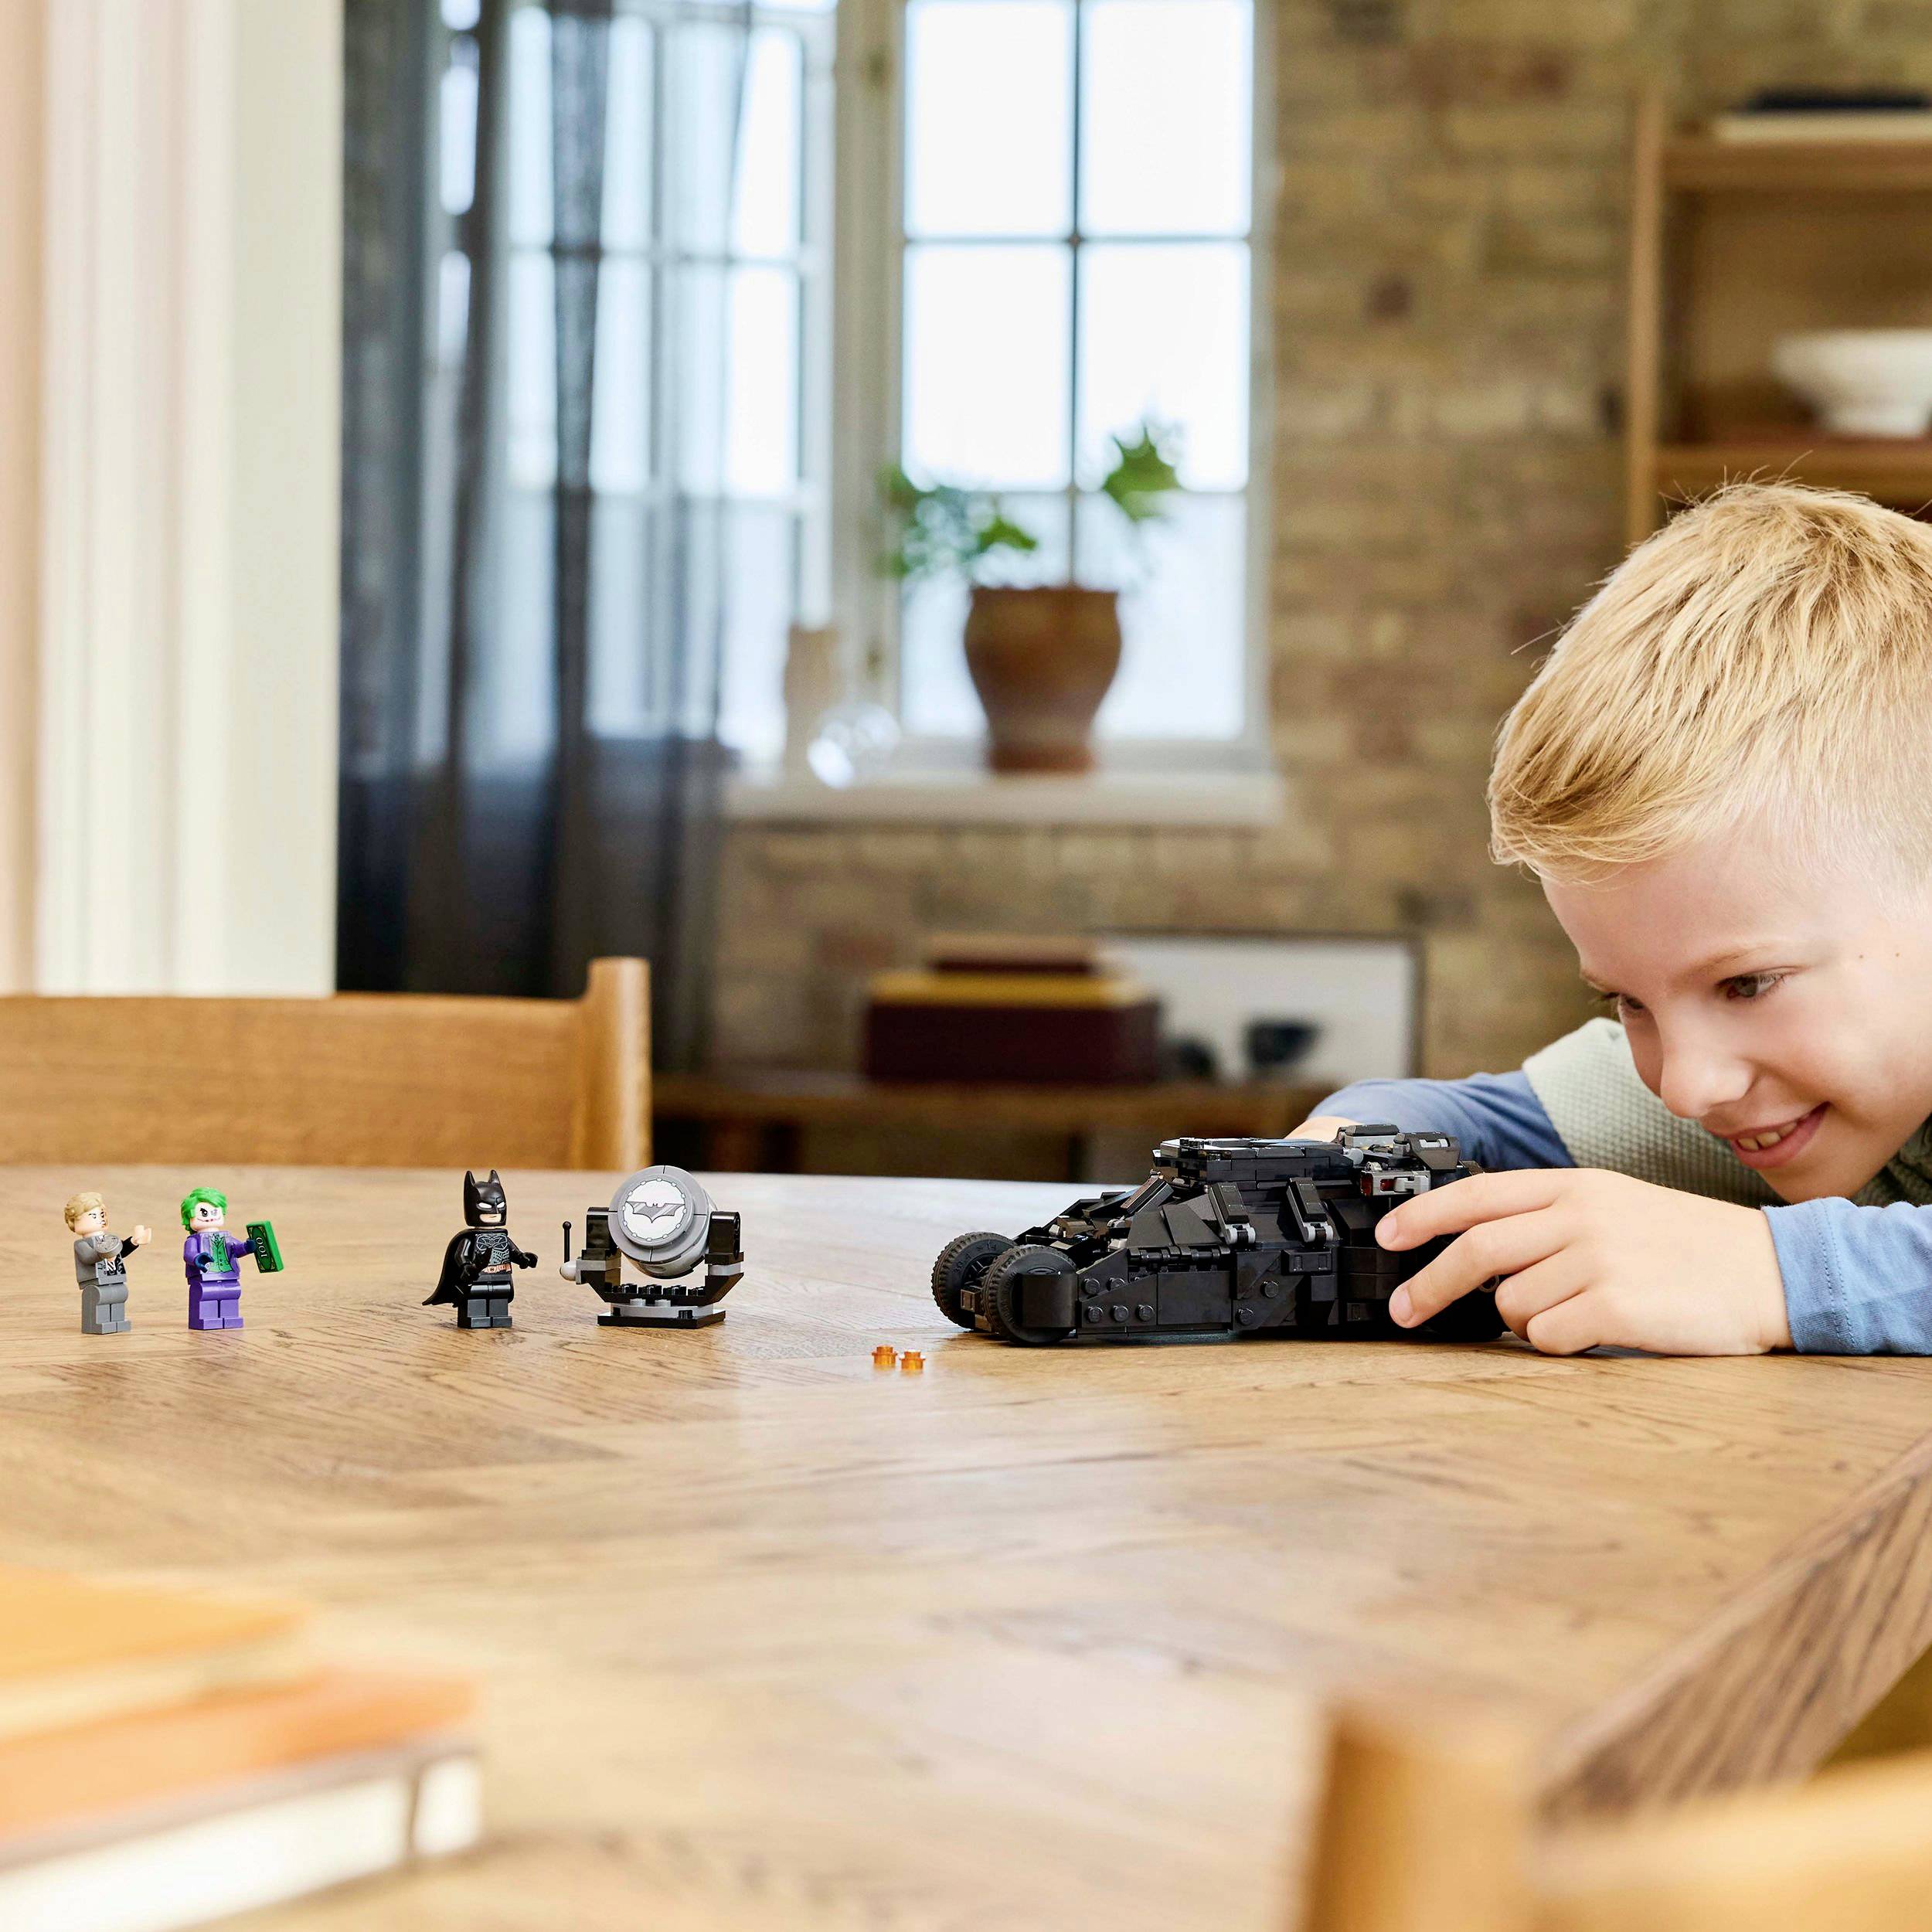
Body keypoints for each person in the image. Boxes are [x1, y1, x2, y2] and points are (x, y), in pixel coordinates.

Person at [1295, 482, 1932, 1356]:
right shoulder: (1735, 1076)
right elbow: (1475, 1120)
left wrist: (1771, 1273)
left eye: (1746, 983)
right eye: (1628, 1003)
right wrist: (1327, 1158)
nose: (1686, 1088)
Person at [65, 1191, 151, 1335]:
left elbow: (120, 1252)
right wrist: (105, 1253)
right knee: (100, 1299)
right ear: (75, 1221)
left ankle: (117, 1321)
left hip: (115, 1277)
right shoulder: (80, 1244)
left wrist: (134, 1242)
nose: (100, 1219)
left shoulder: (109, 1239)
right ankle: (97, 1323)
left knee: (119, 1296)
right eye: (93, 1216)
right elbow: (88, 1257)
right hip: (95, 1281)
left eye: (101, 1215)